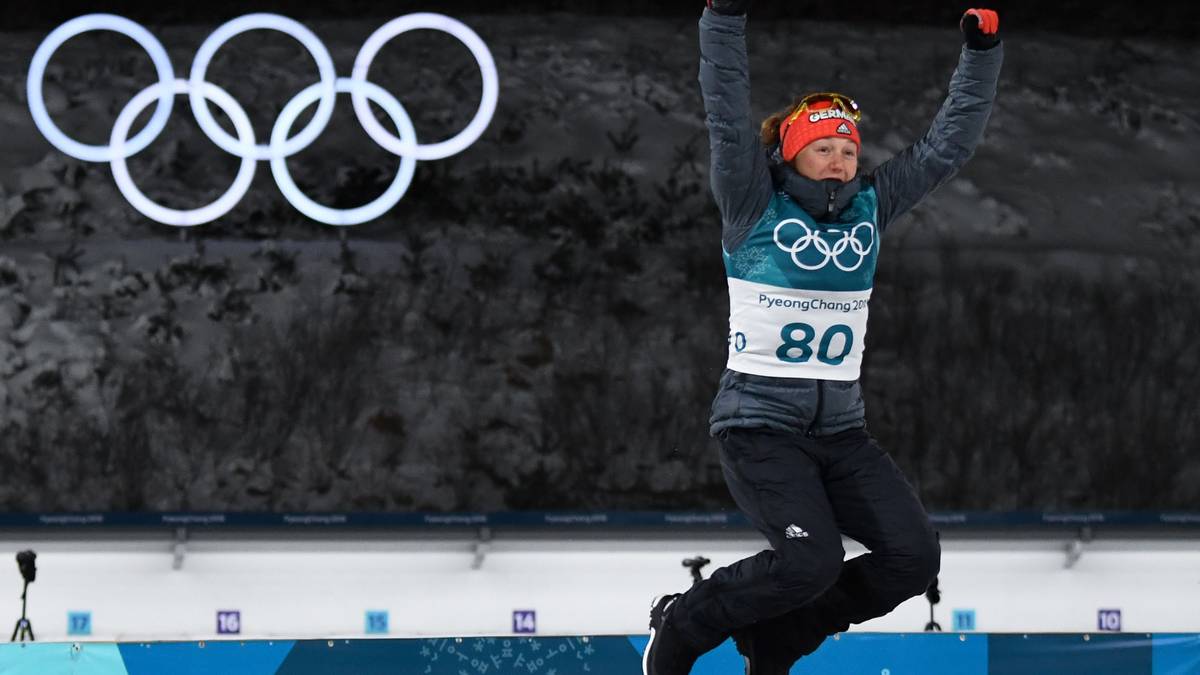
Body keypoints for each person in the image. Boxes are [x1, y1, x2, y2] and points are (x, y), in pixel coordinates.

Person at [642, 3, 1003, 675]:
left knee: (912, 557)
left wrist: (982, 54)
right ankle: (686, 618)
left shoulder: (872, 205)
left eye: (848, 149)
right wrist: (722, 16)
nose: (839, 160)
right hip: (758, 425)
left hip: (841, 433)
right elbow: (724, 108)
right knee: (811, 559)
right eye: (822, 148)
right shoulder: (754, 203)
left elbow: (947, 146)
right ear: (789, 153)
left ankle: (785, 634)